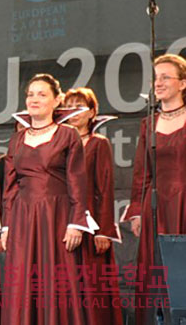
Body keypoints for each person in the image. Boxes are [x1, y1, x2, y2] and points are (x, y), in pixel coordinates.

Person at [0, 74, 97, 325]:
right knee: (23, 282)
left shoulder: (68, 135)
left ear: (56, 101)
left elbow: (77, 181)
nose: (34, 99)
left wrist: (76, 222)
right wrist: (7, 225)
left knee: (56, 280)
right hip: (22, 217)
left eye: (42, 94)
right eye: (30, 94)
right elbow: (9, 188)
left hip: (56, 215)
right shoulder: (17, 139)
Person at [122, 54, 186, 324]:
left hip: (183, 201)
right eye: (155, 77)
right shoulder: (149, 123)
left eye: (165, 77)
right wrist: (137, 209)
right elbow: (142, 172)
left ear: (183, 83)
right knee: (155, 273)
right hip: (155, 207)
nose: (158, 83)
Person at [64, 87, 122, 325]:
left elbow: (104, 188)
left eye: (81, 107)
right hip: (63, 222)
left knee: (90, 286)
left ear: (92, 113)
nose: (74, 113)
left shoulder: (98, 144)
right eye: (70, 107)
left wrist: (104, 230)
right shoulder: (59, 141)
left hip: (90, 227)